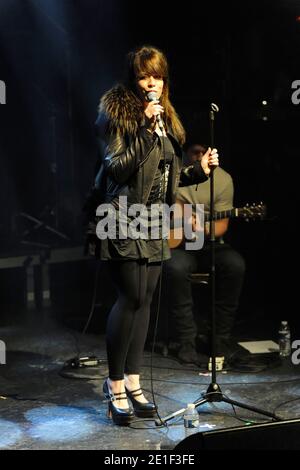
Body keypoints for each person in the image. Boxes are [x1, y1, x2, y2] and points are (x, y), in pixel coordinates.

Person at [84, 46, 219, 425]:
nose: (151, 83)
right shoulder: (117, 115)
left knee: (145, 301)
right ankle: (114, 386)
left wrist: (198, 170)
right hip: (122, 216)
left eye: (156, 76)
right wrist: (143, 128)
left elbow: (168, 177)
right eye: (144, 76)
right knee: (129, 297)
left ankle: (134, 380)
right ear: (134, 79)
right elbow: (118, 171)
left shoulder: (168, 120)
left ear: (164, 80)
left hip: (154, 219)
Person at [165, 143, 245, 365]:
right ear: (186, 153)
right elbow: (168, 209)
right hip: (179, 244)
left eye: (205, 152)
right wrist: (181, 221)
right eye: (195, 152)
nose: (200, 157)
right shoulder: (174, 174)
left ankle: (219, 340)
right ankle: (186, 343)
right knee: (175, 268)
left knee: (234, 265)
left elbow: (221, 225)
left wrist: (204, 228)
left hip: (209, 243)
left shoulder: (223, 180)